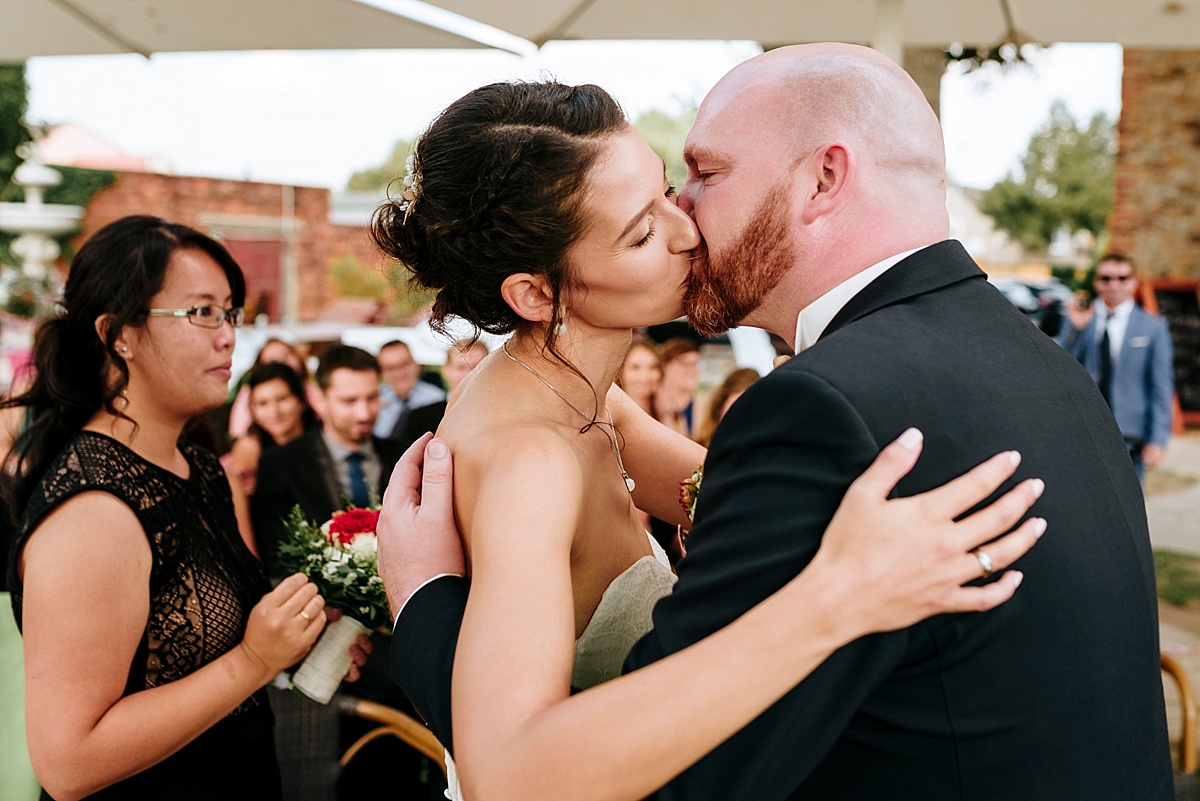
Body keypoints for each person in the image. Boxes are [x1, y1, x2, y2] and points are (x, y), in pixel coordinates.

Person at [387, 45, 1173, 801]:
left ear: (825, 177)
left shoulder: (610, 403)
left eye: (692, 179)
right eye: (642, 226)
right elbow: (515, 774)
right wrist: (422, 591)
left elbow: (707, 485)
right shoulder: (1032, 359)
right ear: (533, 292)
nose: (685, 223)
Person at [0, 216, 366, 801]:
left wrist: (295, 637)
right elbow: (68, 762)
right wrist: (252, 659)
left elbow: (198, 650)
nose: (228, 337)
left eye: (230, 313)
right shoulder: (94, 509)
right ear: (120, 334)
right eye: (201, 313)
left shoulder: (196, 467)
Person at [251, 345, 401, 576]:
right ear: (320, 398)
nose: (364, 413)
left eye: (372, 398)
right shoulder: (280, 465)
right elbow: (278, 556)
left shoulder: (404, 455)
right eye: (349, 401)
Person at [1059, 253, 1175, 481]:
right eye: (1106, 278)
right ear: (1097, 282)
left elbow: (1162, 385)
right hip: (1085, 429)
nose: (1114, 285)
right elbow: (1061, 369)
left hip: (1130, 434)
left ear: (1134, 281)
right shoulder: (1080, 320)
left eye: (1122, 278)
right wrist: (1076, 329)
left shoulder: (1153, 327)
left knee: (1130, 508)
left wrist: (1157, 438)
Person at [224, 361, 317, 497]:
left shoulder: (324, 440)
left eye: (282, 399)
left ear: (301, 401)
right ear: (253, 411)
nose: (274, 411)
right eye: (262, 404)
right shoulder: (250, 449)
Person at [373, 340, 446, 442]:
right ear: (381, 373)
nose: (399, 373)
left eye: (404, 365)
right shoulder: (373, 399)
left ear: (416, 364)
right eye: (390, 368)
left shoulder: (438, 399)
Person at [694, 366, 759, 447]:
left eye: (749, 410)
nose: (739, 418)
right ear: (720, 405)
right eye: (735, 406)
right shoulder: (695, 449)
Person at [653, 336, 701, 438]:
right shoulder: (651, 401)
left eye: (695, 363)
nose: (692, 369)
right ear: (665, 366)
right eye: (684, 363)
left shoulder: (704, 404)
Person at [616, 338, 662, 416]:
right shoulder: (610, 416)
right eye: (635, 367)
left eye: (652, 367)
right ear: (620, 372)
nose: (645, 376)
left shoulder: (666, 412)